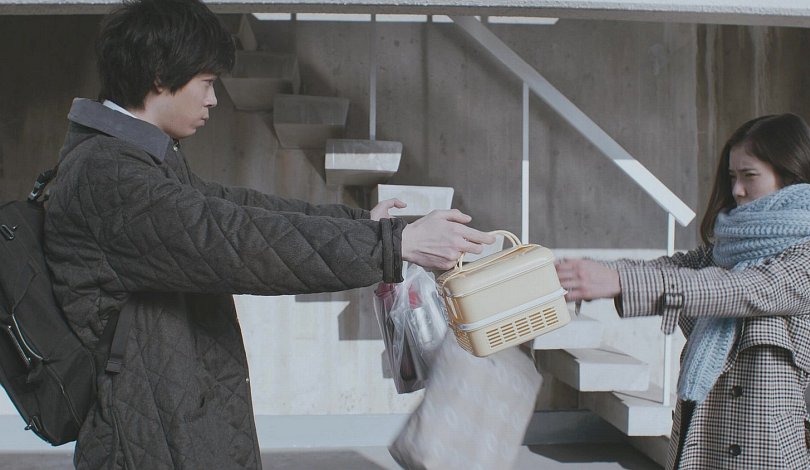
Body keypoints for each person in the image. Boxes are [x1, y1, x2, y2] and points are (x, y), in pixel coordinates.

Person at [42, 0, 495, 468]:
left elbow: (238, 209)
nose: (213, 100)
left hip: (173, 417)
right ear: (160, 76)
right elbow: (237, 240)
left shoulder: (137, 159)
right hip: (150, 440)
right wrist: (392, 246)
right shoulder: (110, 176)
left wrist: (364, 226)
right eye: (207, 82)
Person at [555, 113, 810, 469]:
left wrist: (620, 283)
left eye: (749, 176)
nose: (737, 190)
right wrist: (586, 271)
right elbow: (674, 268)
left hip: (764, 449)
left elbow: (744, 289)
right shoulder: (730, 248)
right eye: (732, 177)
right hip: (702, 433)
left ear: (791, 176)